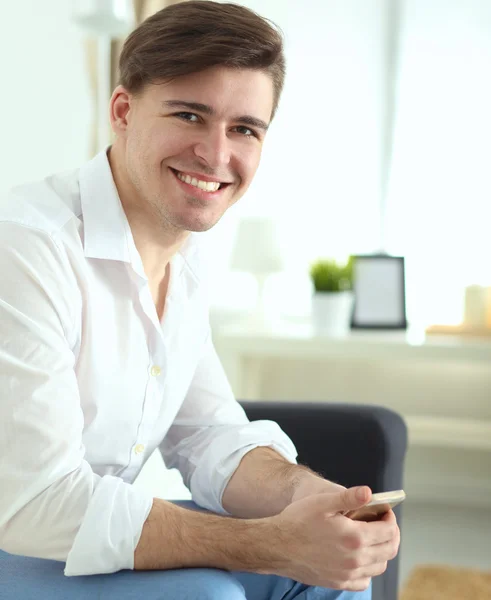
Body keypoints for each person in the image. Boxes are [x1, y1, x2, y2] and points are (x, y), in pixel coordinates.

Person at [0, 2, 400, 599]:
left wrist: (305, 498)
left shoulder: (181, 258)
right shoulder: (25, 247)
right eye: (190, 115)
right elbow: (37, 503)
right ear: (123, 111)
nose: (216, 155)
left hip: (72, 537)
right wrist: (273, 542)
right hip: (20, 535)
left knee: (334, 576)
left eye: (244, 129)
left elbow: (207, 434)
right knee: (210, 595)